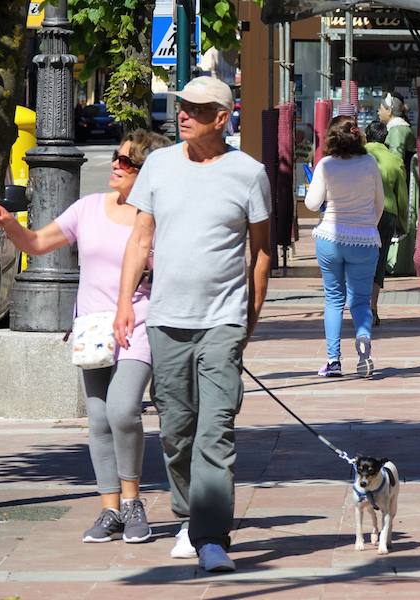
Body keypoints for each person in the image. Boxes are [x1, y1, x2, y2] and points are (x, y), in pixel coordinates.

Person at [114, 76, 271, 572]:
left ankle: (209, 535)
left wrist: (249, 318)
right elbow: (140, 240)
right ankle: (188, 514)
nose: (183, 114)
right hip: (165, 320)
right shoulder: (158, 165)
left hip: (222, 320)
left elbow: (261, 251)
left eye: (197, 109)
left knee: (215, 430)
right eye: (182, 106)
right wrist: (123, 305)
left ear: (222, 118)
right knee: (177, 431)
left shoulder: (249, 173)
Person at [0, 129, 171, 544]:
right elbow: (37, 243)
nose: (116, 166)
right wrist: (10, 223)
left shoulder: (159, 218)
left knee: (124, 410)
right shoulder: (88, 209)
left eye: (126, 162)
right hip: (92, 327)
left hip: (138, 323)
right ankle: (110, 509)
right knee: (99, 418)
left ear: (149, 172)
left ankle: (133, 500)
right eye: (118, 159)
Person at [304, 115, 384, 378]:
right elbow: (379, 203)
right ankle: (363, 347)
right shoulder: (370, 163)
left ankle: (333, 361)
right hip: (364, 240)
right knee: (360, 301)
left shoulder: (325, 165)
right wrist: (367, 225)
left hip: (330, 238)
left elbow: (312, 204)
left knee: (333, 300)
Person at [364, 120, 408, 326]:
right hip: (386, 215)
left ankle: (359, 306)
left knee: (357, 259)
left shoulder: (356, 157)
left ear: (366, 136)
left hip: (359, 214)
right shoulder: (394, 161)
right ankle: (372, 307)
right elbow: (402, 197)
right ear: (386, 138)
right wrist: (402, 223)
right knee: (379, 261)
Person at [378, 91, 416, 167]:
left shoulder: (397, 130)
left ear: (389, 111)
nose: (378, 112)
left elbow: (396, 163)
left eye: (380, 108)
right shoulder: (398, 127)